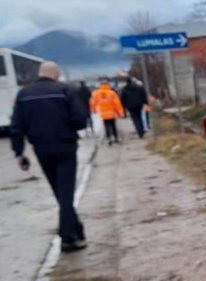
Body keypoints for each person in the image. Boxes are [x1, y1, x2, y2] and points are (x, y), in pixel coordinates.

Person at [10, 61, 88, 253]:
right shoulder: (64, 91)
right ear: (55, 74)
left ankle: (76, 230)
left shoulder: (24, 94)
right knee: (66, 192)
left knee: (60, 192)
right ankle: (68, 237)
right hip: (65, 147)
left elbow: (17, 126)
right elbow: (80, 120)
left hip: (42, 149)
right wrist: (68, 127)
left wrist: (19, 152)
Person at [90, 77, 124, 145]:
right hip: (111, 113)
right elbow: (117, 103)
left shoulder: (96, 93)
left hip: (103, 114)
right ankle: (116, 138)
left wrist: (93, 110)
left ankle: (109, 138)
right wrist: (120, 113)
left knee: (106, 126)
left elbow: (93, 102)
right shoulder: (112, 93)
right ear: (108, 85)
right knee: (113, 125)